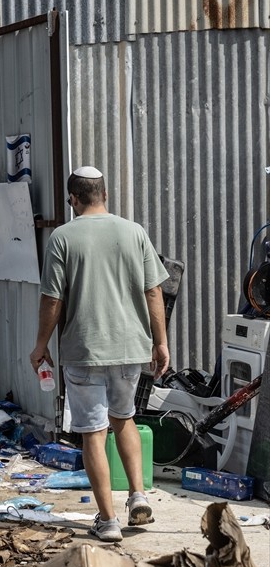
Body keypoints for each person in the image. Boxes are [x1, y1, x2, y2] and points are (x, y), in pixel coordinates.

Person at [30, 165, 170, 543]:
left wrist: (41, 345)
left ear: (73, 199)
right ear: (105, 194)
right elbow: (153, 291)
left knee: (93, 432)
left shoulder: (62, 238)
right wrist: (160, 342)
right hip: (129, 348)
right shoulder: (134, 232)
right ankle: (138, 495)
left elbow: (52, 299)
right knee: (124, 419)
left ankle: (108, 521)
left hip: (84, 349)